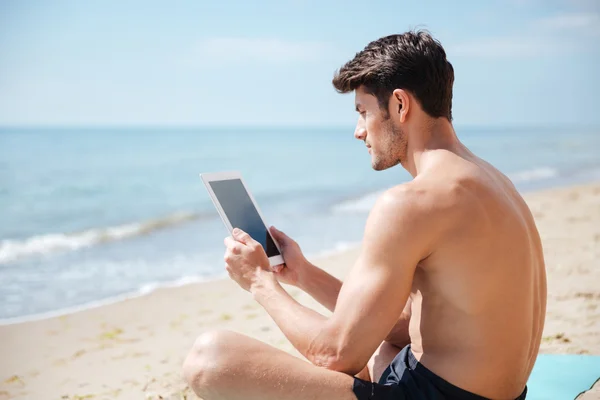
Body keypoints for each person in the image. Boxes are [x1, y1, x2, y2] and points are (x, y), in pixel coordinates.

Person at [182, 30, 547, 400]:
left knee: (209, 357)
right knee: (379, 349)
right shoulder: (493, 181)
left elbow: (334, 354)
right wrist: (304, 275)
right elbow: (404, 325)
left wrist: (260, 282)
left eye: (363, 112)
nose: (358, 132)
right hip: (496, 393)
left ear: (401, 105)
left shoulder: (411, 203)